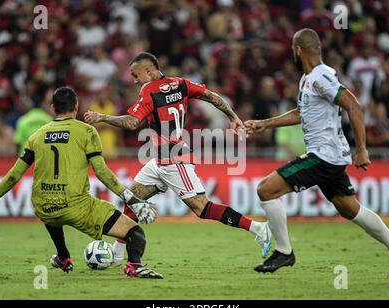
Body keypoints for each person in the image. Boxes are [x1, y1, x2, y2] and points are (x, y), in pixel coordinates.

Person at [244, 28, 389, 282]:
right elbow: (301, 114)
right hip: (329, 157)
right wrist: (265, 124)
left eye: (293, 49)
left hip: (323, 156)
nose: (292, 53)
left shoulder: (321, 77)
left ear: (299, 50)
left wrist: (362, 148)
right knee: (349, 209)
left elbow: (353, 106)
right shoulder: (308, 79)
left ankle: (284, 252)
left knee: (265, 190)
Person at [84, 52, 271, 261]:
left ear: (149, 71)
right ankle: (117, 255)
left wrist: (102, 117)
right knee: (133, 199)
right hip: (160, 160)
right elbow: (213, 97)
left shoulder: (149, 91)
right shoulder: (181, 84)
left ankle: (258, 228)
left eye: (136, 76)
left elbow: (131, 122)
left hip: (174, 160)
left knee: (203, 208)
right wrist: (234, 117)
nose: (135, 81)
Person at [0, 87, 163, 279]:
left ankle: (63, 256)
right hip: (76, 207)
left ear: (52, 108)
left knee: (50, 207)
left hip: (44, 207)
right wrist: (133, 201)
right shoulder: (86, 131)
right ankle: (134, 266)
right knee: (135, 232)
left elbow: (15, 174)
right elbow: (102, 172)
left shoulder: (37, 136)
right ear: (76, 106)